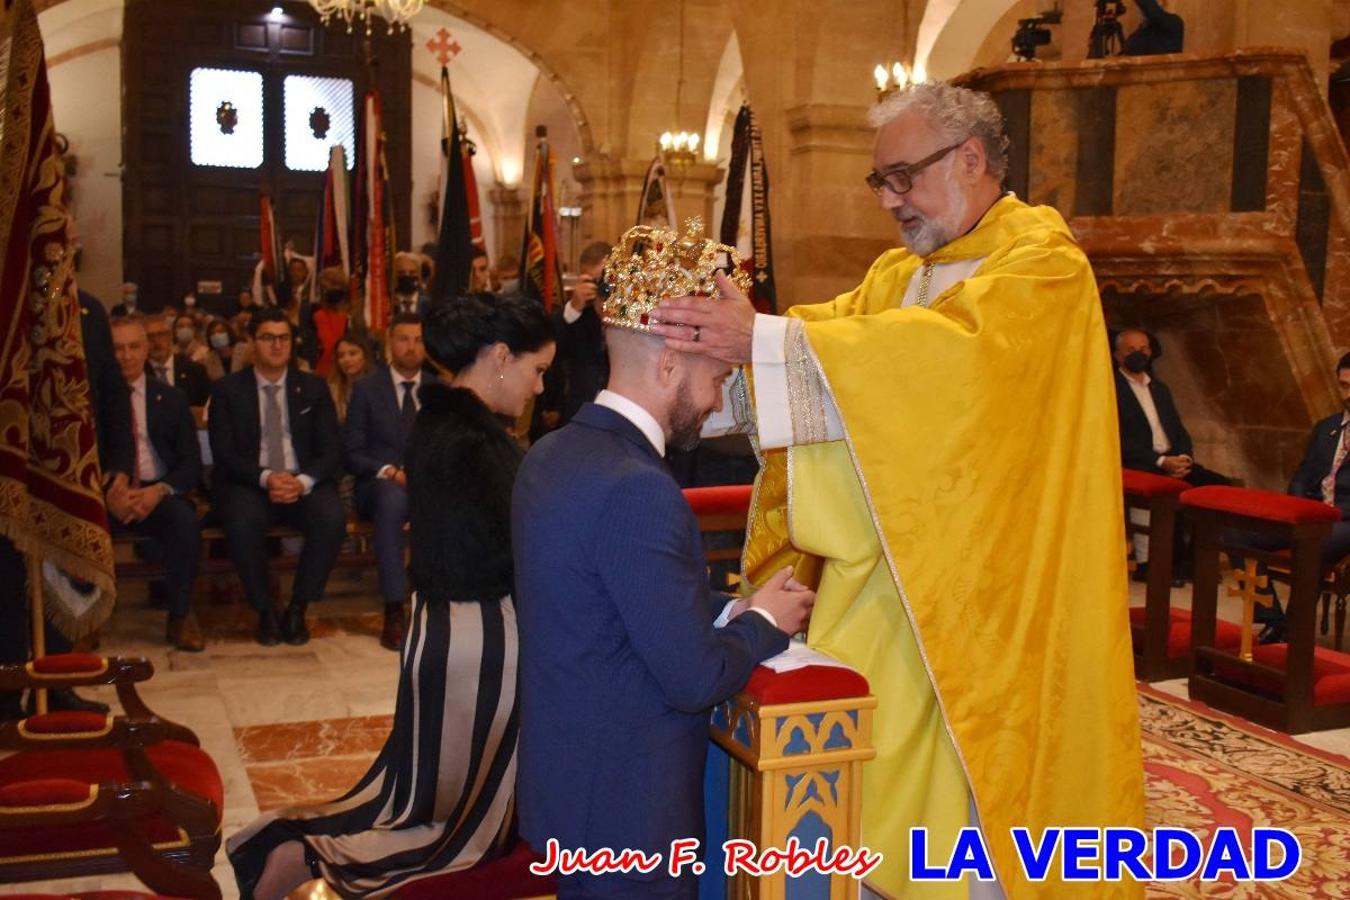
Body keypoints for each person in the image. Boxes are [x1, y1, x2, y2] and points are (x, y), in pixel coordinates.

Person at [650, 82, 1145, 899]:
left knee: (978, 790)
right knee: (848, 752)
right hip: (894, 566)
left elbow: (953, 365)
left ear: (973, 159)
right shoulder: (896, 275)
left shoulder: (1041, 263)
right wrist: (704, 374)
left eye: (903, 176)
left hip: (997, 593)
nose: (891, 200)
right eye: (880, 182)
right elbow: (835, 348)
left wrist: (770, 340)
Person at [513, 228, 814, 900]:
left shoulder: (549, 454)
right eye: (716, 378)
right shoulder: (638, 487)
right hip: (629, 814)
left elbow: (605, 603)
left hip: (568, 790)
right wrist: (763, 621)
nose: (713, 403)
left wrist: (726, 606)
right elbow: (693, 676)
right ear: (672, 364)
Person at [228, 294, 556, 900]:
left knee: (412, 796)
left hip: (439, 628)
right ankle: (305, 854)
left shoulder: (439, 421)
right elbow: (508, 548)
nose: (539, 387)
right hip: (478, 639)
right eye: (537, 370)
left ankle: (292, 849)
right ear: (503, 358)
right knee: (459, 828)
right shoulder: (475, 441)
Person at [207, 307, 346, 647]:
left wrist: (301, 482)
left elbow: (331, 450)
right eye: (268, 337)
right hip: (250, 482)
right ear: (252, 342)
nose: (277, 345)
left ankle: (299, 606)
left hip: (303, 482)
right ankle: (265, 609)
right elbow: (224, 454)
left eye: (283, 338)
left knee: (331, 518)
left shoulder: (313, 387)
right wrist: (268, 477)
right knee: (241, 522)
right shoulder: (227, 390)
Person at [109, 316, 204, 652]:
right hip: (110, 494)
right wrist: (109, 493)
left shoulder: (172, 398)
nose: (126, 355)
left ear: (147, 349)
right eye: (117, 348)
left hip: (159, 491)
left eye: (134, 346)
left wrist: (158, 490)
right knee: (78, 525)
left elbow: (191, 464)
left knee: (185, 523)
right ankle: (84, 617)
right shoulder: (91, 399)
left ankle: (179, 616)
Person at [343, 314, 438, 650]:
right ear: (389, 344)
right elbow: (351, 452)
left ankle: (445, 601)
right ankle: (395, 607)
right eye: (403, 339)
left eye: (418, 340)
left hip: (427, 485)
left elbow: (447, 447)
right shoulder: (368, 389)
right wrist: (392, 472)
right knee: (392, 500)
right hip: (377, 484)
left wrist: (423, 478)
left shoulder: (438, 389)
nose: (411, 347)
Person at [1113, 327, 1230, 582]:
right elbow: (1119, 439)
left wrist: (1184, 458)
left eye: (1144, 349)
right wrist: (1161, 461)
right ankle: (1153, 566)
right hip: (1140, 464)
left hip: (1172, 460)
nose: (1139, 354)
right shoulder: (1111, 389)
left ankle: (1196, 564)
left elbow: (1178, 430)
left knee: (1219, 488)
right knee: (1166, 495)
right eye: (1132, 350)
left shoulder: (1159, 389)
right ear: (1118, 354)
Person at [555, 241, 612, 426]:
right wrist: (573, 309)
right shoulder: (576, 314)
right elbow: (552, 354)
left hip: (618, 413)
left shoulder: (634, 309)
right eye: (593, 280)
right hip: (580, 413)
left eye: (604, 278)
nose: (601, 285)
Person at [144, 313, 211, 410]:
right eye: (150, 337)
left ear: (171, 336)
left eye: (161, 334)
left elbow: (206, 410)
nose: (156, 341)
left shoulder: (195, 371)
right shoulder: (140, 373)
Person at [327, 334, 375, 426]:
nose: (346, 359)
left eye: (353, 354)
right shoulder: (331, 390)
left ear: (364, 356)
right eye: (341, 356)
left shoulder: (378, 386)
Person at [311, 267, 350, 378]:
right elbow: (331, 345)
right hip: (328, 371)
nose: (333, 290)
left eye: (336, 285)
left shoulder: (352, 314)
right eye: (327, 287)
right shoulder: (319, 315)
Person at [392, 251, 431, 316]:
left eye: (412, 272)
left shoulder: (430, 305)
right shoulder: (387, 305)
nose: (407, 276)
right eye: (401, 272)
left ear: (419, 275)